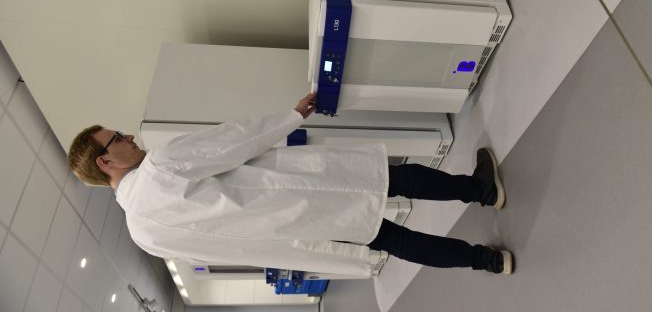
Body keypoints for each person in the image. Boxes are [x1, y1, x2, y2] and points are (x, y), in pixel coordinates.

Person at [67, 92, 513, 277]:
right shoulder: (158, 167)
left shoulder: (143, 235)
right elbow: (232, 143)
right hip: (299, 188)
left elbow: (217, 254)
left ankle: (488, 261)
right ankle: (482, 191)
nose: (129, 137)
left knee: (395, 240)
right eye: (118, 138)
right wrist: (293, 115)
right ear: (105, 161)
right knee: (393, 179)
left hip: (299, 231)